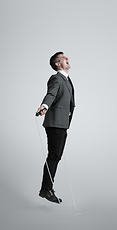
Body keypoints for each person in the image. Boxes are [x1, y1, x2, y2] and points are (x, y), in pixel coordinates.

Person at [36, 52, 75, 204]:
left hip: (62, 124)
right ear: (57, 64)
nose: (67, 58)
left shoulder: (66, 79)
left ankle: (47, 188)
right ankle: (46, 190)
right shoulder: (56, 78)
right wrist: (44, 105)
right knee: (53, 156)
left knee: (55, 156)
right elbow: (51, 94)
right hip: (55, 123)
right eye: (64, 58)